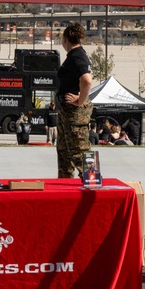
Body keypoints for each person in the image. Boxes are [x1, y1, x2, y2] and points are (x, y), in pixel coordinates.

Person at [55, 23, 93, 178]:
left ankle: (92, 182)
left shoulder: (77, 56)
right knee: (65, 152)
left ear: (64, 39)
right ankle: (64, 184)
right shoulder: (75, 55)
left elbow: (87, 80)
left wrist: (80, 99)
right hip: (66, 112)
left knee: (80, 151)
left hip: (74, 112)